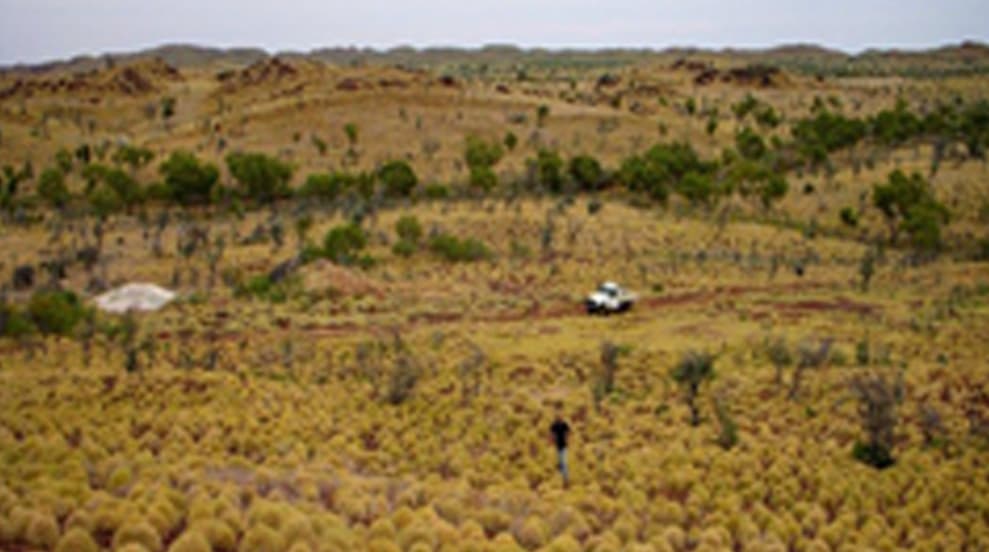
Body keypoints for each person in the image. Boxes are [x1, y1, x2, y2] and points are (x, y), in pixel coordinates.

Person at [550, 413, 571, 486]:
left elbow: (568, 432)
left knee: (564, 463)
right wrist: (552, 440)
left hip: (564, 446)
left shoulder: (564, 424)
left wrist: (567, 439)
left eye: (560, 417)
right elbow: (551, 434)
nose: (559, 418)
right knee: (560, 464)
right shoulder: (554, 425)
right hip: (558, 447)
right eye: (557, 417)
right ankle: (562, 479)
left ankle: (566, 479)